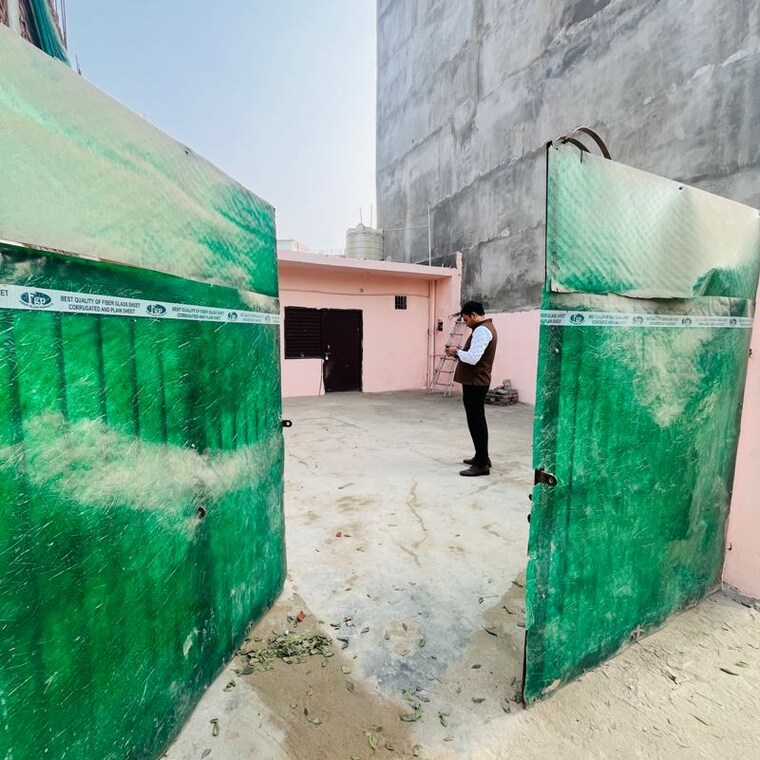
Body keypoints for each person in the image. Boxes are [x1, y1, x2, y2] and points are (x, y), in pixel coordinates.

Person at [445, 301, 498, 476]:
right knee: (478, 420)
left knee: (476, 422)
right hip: (476, 381)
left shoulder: (482, 330)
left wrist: (456, 352)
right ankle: (482, 456)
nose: (466, 323)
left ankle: (481, 464)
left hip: (476, 382)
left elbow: (473, 358)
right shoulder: (485, 328)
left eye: (467, 319)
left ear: (474, 315)